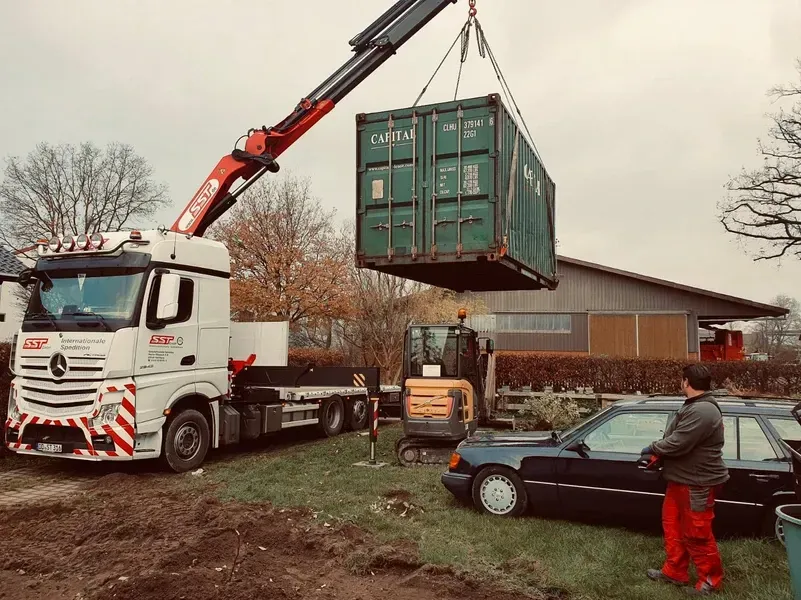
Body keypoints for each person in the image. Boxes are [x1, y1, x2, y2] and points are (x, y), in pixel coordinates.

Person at [641, 363, 729, 596]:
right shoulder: (694, 405)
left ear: (686, 382)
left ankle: (710, 581)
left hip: (697, 483)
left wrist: (653, 447)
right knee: (673, 527)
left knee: (697, 533)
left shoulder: (703, 410)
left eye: (682, 380)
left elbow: (679, 442)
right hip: (680, 480)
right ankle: (675, 571)